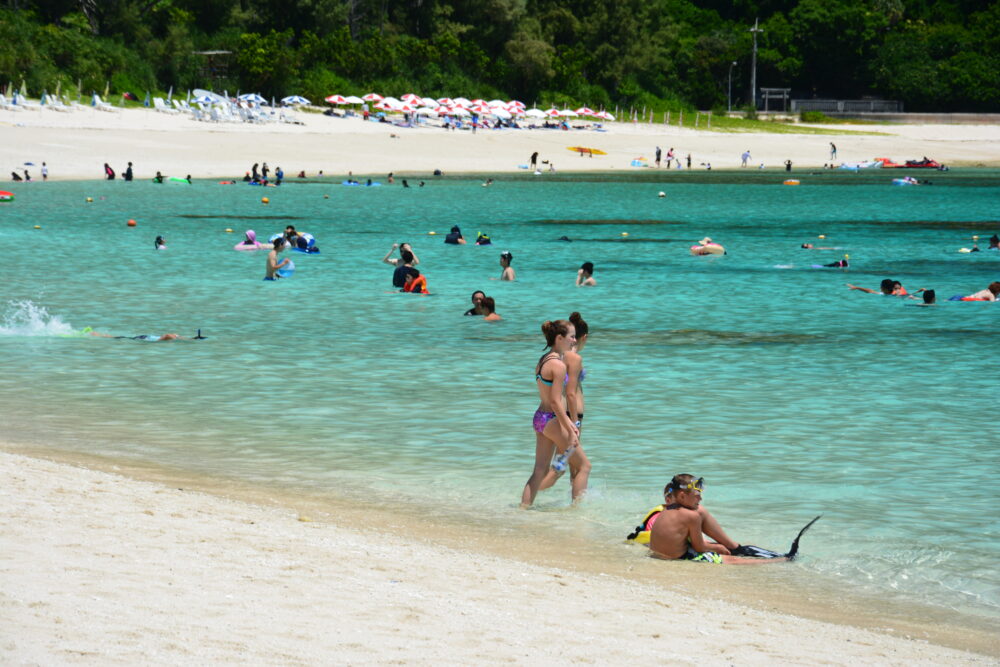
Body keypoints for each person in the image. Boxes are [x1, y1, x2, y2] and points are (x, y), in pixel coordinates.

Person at [649, 474, 783, 564]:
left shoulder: (667, 509)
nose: (700, 499)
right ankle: (774, 561)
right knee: (731, 560)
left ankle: (735, 547)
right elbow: (699, 547)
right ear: (683, 496)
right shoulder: (691, 516)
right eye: (696, 495)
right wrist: (718, 548)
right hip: (675, 558)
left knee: (699, 509)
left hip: (659, 554)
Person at [521, 320, 582, 508]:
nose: (574, 340)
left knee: (540, 470)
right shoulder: (558, 365)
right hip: (551, 420)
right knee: (583, 466)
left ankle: (522, 508)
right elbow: (556, 401)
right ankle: (578, 515)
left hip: (539, 417)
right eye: (571, 336)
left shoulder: (543, 360)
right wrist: (571, 426)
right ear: (559, 338)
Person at [538, 312, 592, 497]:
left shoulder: (561, 356)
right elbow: (570, 393)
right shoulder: (574, 359)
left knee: (565, 465)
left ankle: (531, 494)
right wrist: (574, 423)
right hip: (573, 415)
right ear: (583, 337)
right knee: (564, 467)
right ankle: (577, 507)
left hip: (563, 415)